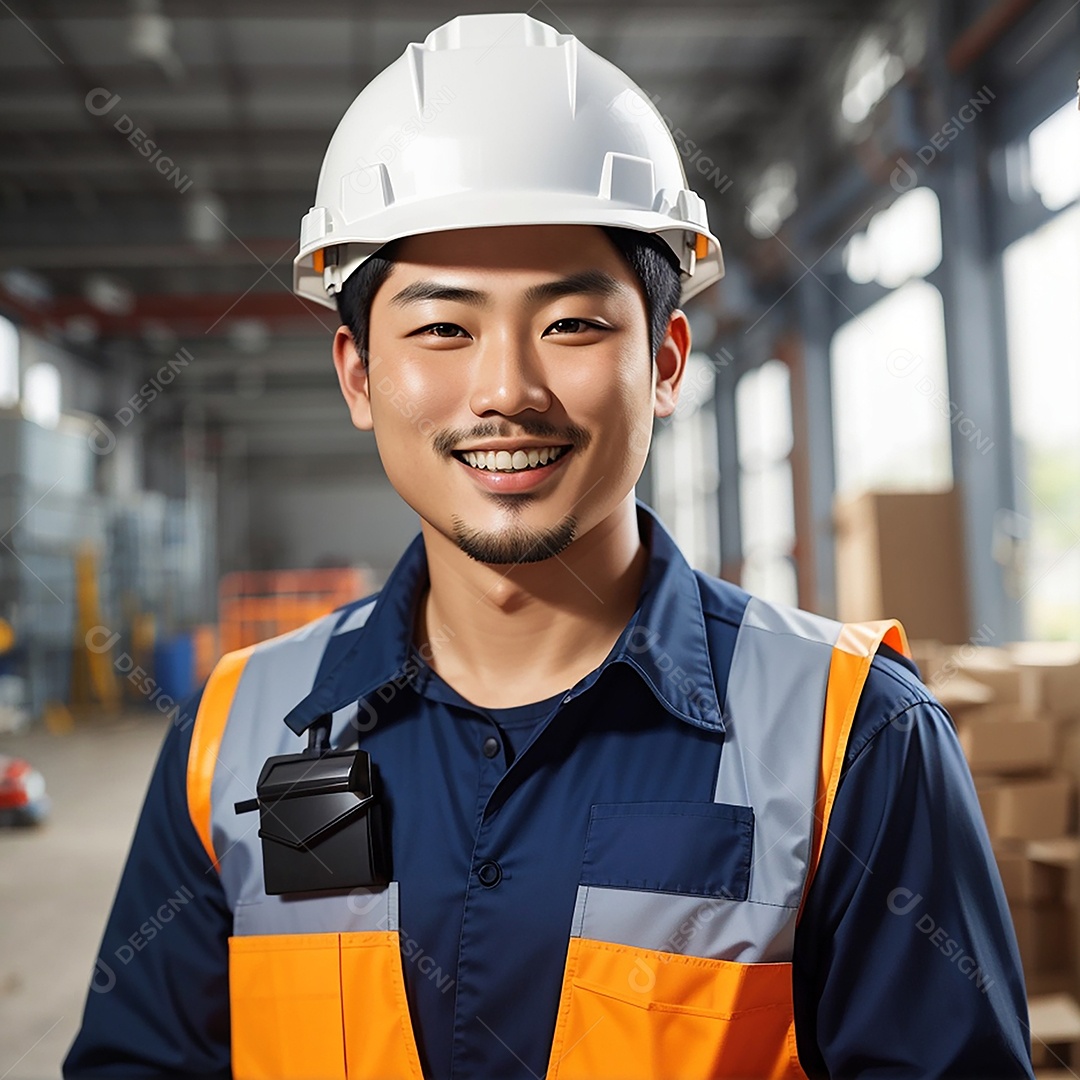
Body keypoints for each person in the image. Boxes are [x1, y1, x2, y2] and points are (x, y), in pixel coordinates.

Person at [65, 12, 1035, 1079]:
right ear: (356, 374)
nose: (507, 391)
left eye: (572, 324)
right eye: (443, 326)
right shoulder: (235, 739)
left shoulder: (854, 739)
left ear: (666, 361)